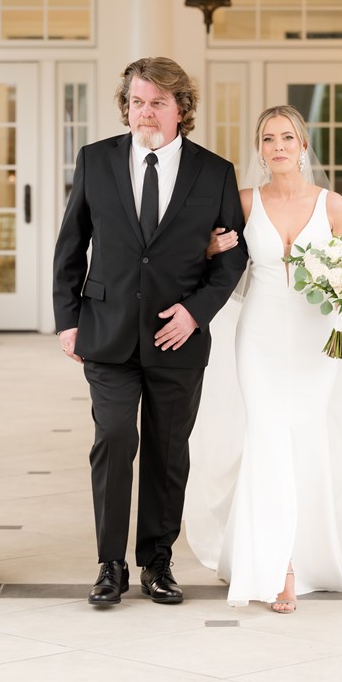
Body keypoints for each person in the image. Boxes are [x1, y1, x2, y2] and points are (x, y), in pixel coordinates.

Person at [185, 104, 342, 612]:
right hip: (259, 332)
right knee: (265, 437)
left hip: (313, 337)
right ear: (260, 149)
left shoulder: (332, 205)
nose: (278, 146)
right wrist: (211, 249)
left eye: (287, 137)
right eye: (268, 138)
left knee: (305, 439)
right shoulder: (243, 201)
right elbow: (208, 256)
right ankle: (277, 565)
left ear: (304, 146)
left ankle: (308, 556)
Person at [53, 57, 248, 608]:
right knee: (114, 441)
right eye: (138, 102)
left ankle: (157, 563)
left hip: (177, 339)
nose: (146, 113)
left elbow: (231, 260)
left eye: (158, 103)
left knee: (168, 452)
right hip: (107, 332)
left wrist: (195, 313)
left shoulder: (214, 172)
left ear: (181, 110)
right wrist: (69, 321)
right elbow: (71, 246)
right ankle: (109, 564)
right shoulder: (96, 160)